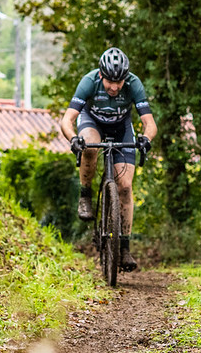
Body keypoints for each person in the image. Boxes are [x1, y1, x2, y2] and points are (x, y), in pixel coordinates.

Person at [60, 47, 157, 271]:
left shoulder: (134, 84)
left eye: (119, 82)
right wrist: (74, 138)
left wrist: (145, 138)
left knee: (125, 187)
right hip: (92, 122)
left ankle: (124, 248)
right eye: (109, 82)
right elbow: (67, 120)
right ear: (101, 75)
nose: (114, 87)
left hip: (121, 127)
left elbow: (150, 123)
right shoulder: (88, 81)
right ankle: (85, 194)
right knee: (90, 147)